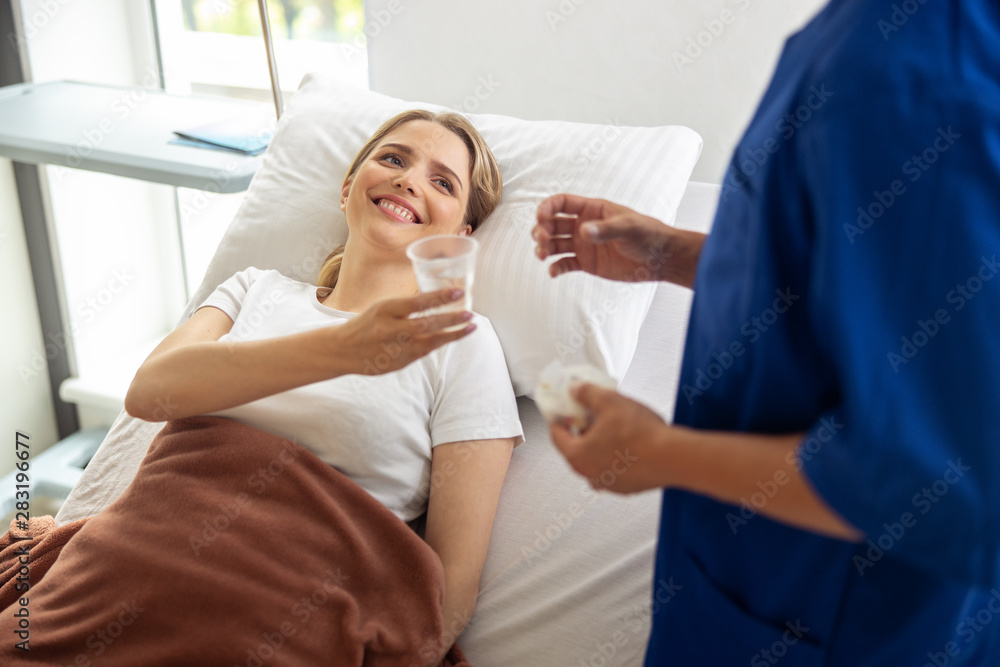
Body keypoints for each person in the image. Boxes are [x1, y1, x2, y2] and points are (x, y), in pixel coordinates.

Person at [533, 1, 1000, 664]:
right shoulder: (877, 41)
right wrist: (672, 254)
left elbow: (942, 478)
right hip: (759, 595)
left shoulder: (908, 83)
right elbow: (862, 281)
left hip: (833, 620)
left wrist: (659, 453)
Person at [125, 109, 524, 655]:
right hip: (126, 567)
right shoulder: (254, 290)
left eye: (443, 182)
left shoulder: (461, 343)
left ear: (460, 235)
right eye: (393, 159)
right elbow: (150, 392)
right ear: (347, 188)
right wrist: (341, 349)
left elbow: (452, 581)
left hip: (281, 628)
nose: (409, 180)